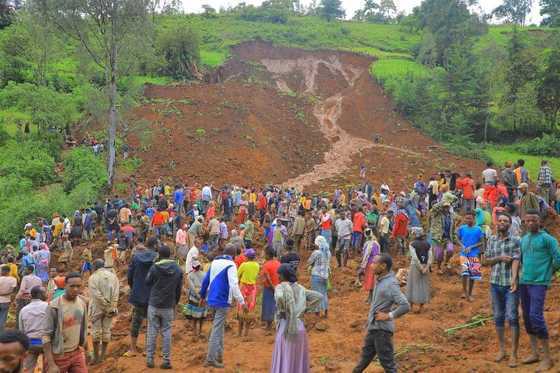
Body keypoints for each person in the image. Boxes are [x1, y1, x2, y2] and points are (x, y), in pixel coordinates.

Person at [517, 210, 560, 371]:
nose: (530, 223)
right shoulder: (524, 239)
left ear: (539, 222)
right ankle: (535, 353)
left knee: (536, 315)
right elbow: (521, 259)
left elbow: (558, 259)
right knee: (527, 317)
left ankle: (547, 358)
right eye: (527, 221)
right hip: (524, 282)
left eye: (533, 220)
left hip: (539, 283)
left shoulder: (548, 239)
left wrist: (549, 273)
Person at [352, 255, 410, 373]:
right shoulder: (382, 280)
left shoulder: (390, 284)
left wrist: (388, 315)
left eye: (374, 263)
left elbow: (405, 305)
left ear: (383, 266)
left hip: (382, 332)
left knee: (388, 364)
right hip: (373, 328)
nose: (371, 266)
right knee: (364, 359)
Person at [482, 214, 521, 368]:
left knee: (512, 317)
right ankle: (502, 349)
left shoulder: (516, 240)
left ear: (510, 224)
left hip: (509, 284)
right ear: (497, 223)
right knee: (498, 316)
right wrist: (499, 258)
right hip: (495, 283)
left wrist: (514, 278)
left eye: (506, 221)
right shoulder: (491, 239)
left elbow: (517, 259)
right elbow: (485, 261)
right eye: (500, 220)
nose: (502, 223)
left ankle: (513, 353)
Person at [270, 264, 322, 373]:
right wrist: (305, 309)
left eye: (279, 275)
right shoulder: (301, 289)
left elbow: (279, 297)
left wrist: (283, 309)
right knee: (297, 359)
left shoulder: (281, 287)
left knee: (285, 357)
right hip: (299, 326)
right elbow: (319, 297)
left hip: (286, 327)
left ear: (284, 276)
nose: (278, 277)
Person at [200, 244, 246, 369]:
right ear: (234, 255)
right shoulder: (231, 265)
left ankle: (219, 355)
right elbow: (234, 285)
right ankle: (210, 358)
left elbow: (205, 280)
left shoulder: (214, 262)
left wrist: (202, 296)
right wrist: (241, 302)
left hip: (211, 299)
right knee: (216, 329)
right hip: (222, 300)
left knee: (218, 328)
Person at [145, 245, 183, 369]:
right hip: (168, 305)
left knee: (152, 331)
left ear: (159, 255)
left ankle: (150, 359)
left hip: (154, 304)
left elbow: (147, 282)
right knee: (166, 332)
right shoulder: (177, 269)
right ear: (170, 254)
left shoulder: (155, 267)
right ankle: (166, 360)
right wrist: (175, 303)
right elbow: (179, 289)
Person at [43, 272, 89, 373]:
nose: (76, 289)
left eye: (78, 286)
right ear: (65, 286)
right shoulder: (54, 307)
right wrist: (51, 364)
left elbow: (83, 328)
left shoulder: (82, 304)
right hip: (59, 356)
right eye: (72, 286)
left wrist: (87, 350)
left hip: (76, 353)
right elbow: (46, 336)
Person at [126, 237, 157, 357]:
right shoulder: (157, 257)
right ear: (154, 245)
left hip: (138, 293)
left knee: (136, 321)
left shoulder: (136, 257)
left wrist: (134, 287)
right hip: (153, 294)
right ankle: (148, 349)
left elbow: (130, 275)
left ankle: (133, 348)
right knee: (152, 321)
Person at [88, 259, 119, 364]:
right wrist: (111, 306)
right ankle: (102, 356)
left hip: (97, 308)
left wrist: (104, 306)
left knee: (96, 332)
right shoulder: (113, 276)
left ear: (95, 267)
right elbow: (116, 293)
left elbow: (96, 295)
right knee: (106, 331)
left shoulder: (93, 277)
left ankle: (96, 357)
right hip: (110, 308)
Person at [19, 285, 48, 373]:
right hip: (46, 343)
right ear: (41, 294)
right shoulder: (48, 307)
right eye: (45, 292)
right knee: (49, 367)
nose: (46, 294)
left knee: (28, 369)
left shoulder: (23, 310)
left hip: (30, 343)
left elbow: (21, 330)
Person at [457, 211, 485, 301]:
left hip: (474, 254)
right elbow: (457, 238)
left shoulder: (478, 229)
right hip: (464, 253)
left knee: (473, 275)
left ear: (474, 219)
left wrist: (472, 247)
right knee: (464, 274)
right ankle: (464, 292)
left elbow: (481, 242)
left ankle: (470, 292)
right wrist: (462, 246)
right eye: (466, 218)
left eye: (470, 218)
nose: (467, 220)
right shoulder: (462, 228)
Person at [406, 228, 433, 313]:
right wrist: (426, 267)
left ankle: (411, 306)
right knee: (423, 286)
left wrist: (420, 267)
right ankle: (421, 307)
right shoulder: (428, 244)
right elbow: (430, 257)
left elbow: (414, 258)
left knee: (412, 285)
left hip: (415, 266)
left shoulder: (412, 244)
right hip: (425, 267)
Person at [236, 249, 260, 339]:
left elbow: (237, 275)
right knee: (249, 311)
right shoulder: (257, 265)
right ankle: (246, 333)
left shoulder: (244, 265)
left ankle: (239, 333)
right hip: (252, 289)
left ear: (247, 257)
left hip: (243, 288)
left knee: (241, 309)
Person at [429, 201, 456, 274]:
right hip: (439, 238)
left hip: (448, 237)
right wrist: (443, 202)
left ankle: (446, 262)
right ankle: (438, 267)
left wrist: (454, 237)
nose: (446, 208)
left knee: (450, 250)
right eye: (445, 207)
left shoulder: (451, 216)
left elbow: (453, 228)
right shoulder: (437, 214)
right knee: (439, 255)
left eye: (447, 207)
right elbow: (434, 208)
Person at [183, 258, 207, 338]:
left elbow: (192, 288)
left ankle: (194, 332)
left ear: (193, 267)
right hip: (203, 297)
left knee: (194, 316)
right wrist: (203, 297)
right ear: (199, 266)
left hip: (194, 298)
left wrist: (197, 296)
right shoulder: (205, 274)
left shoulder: (190, 275)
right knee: (201, 316)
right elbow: (207, 286)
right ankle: (200, 331)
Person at [308, 235, 331, 318]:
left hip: (316, 276)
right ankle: (325, 313)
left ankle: (317, 313)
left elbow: (309, 262)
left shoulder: (316, 253)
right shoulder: (328, 252)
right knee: (324, 294)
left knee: (316, 294)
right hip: (325, 276)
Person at [358, 229, 380, 303]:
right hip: (368, 265)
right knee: (370, 281)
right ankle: (370, 297)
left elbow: (376, 256)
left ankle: (371, 298)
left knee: (372, 282)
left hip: (372, 265)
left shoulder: (374, 244)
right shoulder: (368, 243)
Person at [261, 249, 281, 333]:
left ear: (268, 255)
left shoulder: (266, 265)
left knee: (268, 306)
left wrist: (272, 287)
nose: (264, 255)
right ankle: (276, 324)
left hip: (269, 288)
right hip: (278, 287)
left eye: (264, 253)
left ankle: (268, 326)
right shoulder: (278, 263)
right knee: (276, 305)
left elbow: (267, 277)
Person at [0, 266, 16, 333]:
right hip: (6, 300)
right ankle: (1, 332)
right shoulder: (13, 279)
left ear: (2, 271)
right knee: (3, 317)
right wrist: (12, 301)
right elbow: (14, 291)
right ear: (9, 271)